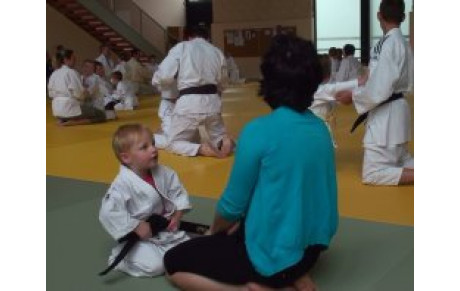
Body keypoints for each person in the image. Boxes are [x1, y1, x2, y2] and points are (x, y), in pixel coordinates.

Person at [163, 34, 338, 291]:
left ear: (268, 82)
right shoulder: (320, 128)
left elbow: (231, 206)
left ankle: (251, 288)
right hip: (312, 249)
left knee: (173, 263)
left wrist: (214, 233)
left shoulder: (259, 131)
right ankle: (295, 274)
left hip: (271, 255)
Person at [336, 0, 414, 185]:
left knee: (372, 174)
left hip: (386, 115)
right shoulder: (401, 42)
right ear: (402, 17)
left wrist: (353, 96)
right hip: (397, 110)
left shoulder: (388, 44)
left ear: (379, 15)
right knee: (400, 159)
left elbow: (381, 86)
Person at [99, 124, 192, 277]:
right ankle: (121, 257)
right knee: (156, 266)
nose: (154, 149)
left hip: (166, 230)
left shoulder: (165, 172)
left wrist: (177, 215)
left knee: (189, 252)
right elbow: (108, 212)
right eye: (144, 147)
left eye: (153, 143)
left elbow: (178, 193)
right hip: (141, 236)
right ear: (126, 157)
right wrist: (135, 225)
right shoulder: (122, 184)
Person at [152, 26, 234, 158]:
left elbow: (165, 75)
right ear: (207, 37)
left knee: (173, 142)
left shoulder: (182, 47)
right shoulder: (216, 51)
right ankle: (222, 141)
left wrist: (156, 82)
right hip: (213, 102)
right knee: (217, 135)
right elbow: (223, 82)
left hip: (189, 103)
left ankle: (201, 148)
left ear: (189, 37)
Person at [309, 54, 367, 148]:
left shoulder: (310, 88)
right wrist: (359, 82)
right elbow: (335, 88)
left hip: (312, 127)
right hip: (316, 129)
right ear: (328, 74)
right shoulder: (320, 90)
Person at [48, 49, 106, 126]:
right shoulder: (71, 72)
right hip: (70, 108)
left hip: (56, 110)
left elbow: (50, 93)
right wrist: (84, 92)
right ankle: (74, 122)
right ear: (66, 60)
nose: (75, 60)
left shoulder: (54, 73)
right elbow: (79, 94)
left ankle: (64, 119)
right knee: (101, 115)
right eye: (73, 58)